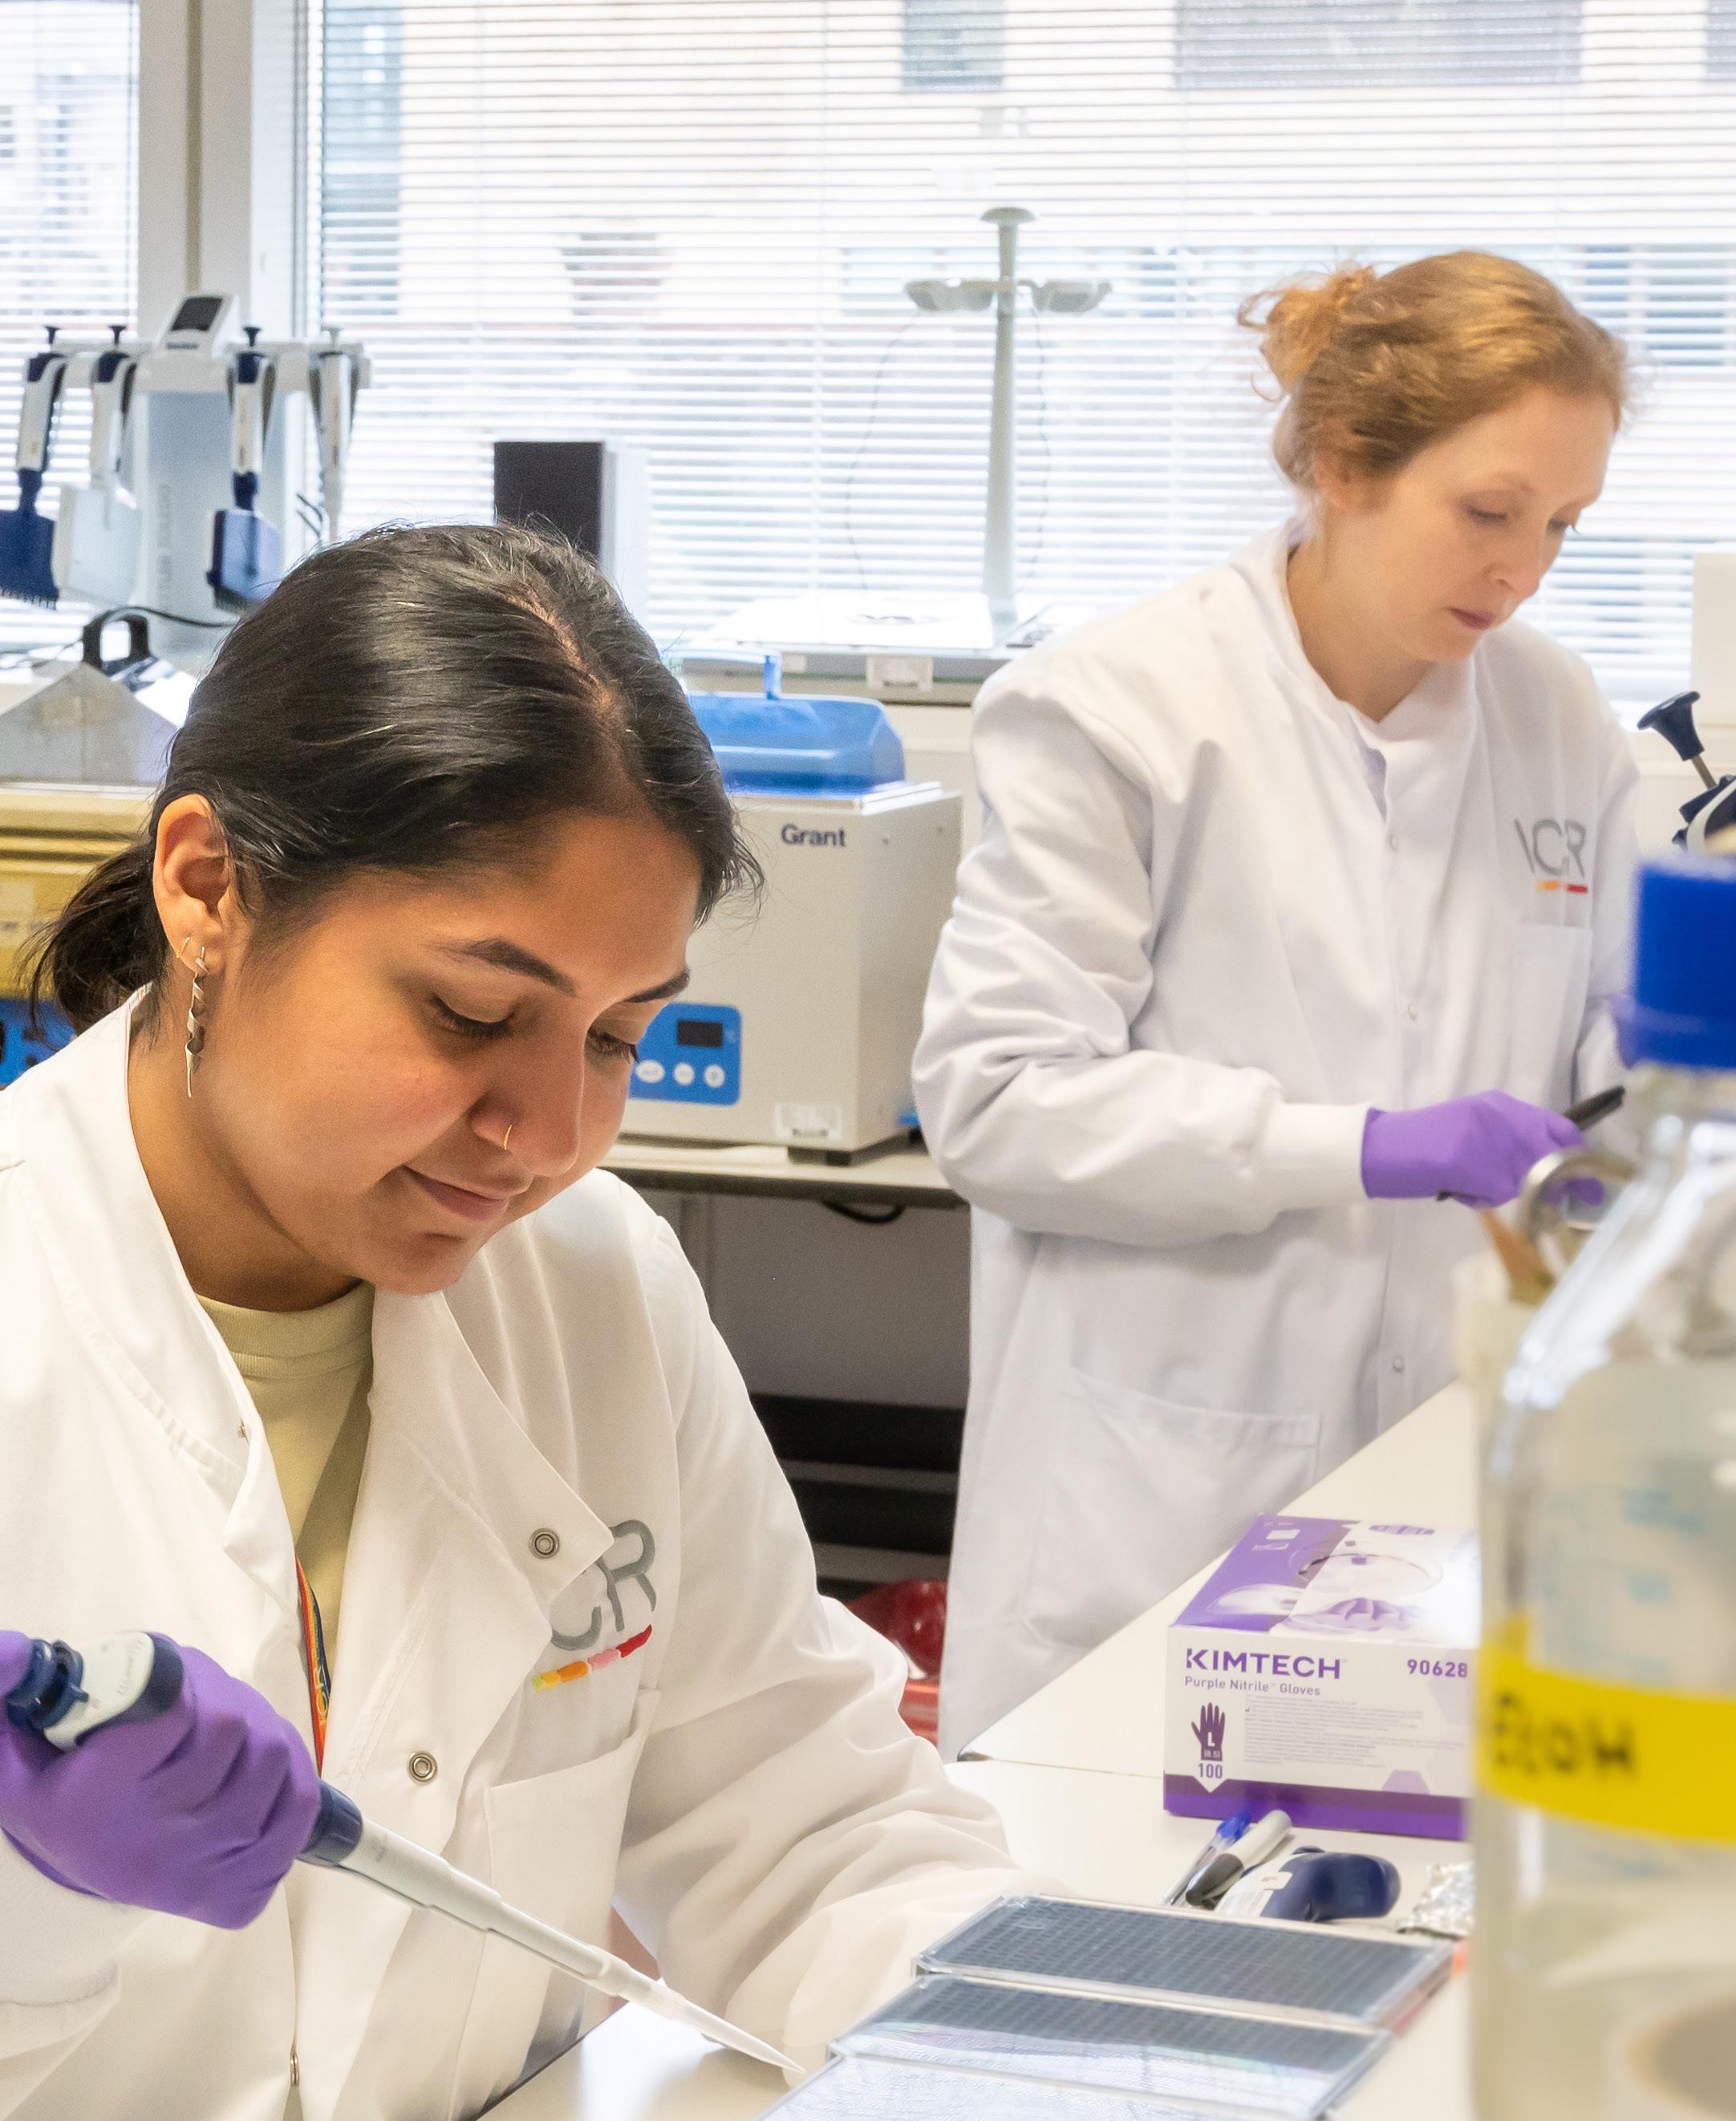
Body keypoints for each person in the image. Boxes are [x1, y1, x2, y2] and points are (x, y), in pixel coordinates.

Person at [0, 526, 1018, 2119]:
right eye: (470, 1011)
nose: (549, 1137)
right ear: (207, 888)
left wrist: (1046, 2061)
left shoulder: (591, 1284)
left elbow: (808, 1829)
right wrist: (36, 1904)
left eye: (614, 1038)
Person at [915, 252, 1641, 1757]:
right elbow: (999, 1102)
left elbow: (1620, 1034)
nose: (1521, 570)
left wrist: (1654, 1102)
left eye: (1561, 526)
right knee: (1104, 1863)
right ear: (1342, 462)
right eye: (1489, 511)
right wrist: (1364, 1147)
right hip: (1153, 1500)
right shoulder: (1116, 707)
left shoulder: (1557, 716)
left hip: (1440, 1490)